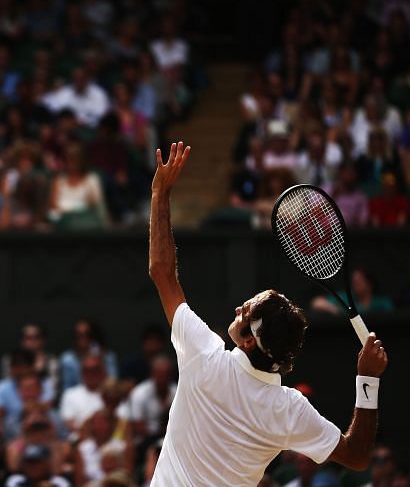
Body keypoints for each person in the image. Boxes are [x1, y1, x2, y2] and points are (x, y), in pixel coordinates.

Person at [148, 142, 388, 484]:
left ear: (248, 340)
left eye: (243, 312)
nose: (237, 310)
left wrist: (160, 192)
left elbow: (162, 271)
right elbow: (357, 455)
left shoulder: (204, 354)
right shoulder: (289, 409)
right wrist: (368, 380)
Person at [59, 320, 119, 392]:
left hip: (103, 394)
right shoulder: (67, 359)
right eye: (79, 335)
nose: (83, 339)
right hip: (78, 397)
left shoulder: (107, 356)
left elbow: (113, 382)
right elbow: (67, 387)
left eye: (87, 334)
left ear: (93, 336)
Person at [127, 355, 176, 443]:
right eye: (159, 374)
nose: (163, 377)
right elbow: (137, 425)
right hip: (146, 440)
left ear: (171, 375)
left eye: (166, 374)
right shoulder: (139, 393)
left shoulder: (177, 392)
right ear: (152, 374)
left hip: (173, 438)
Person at [5, 444, 70, 487]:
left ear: (46, 464)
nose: (33, 466)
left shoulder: (59, 482)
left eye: (37, 462)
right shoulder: (16, 480)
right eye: (29, 462)